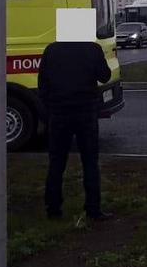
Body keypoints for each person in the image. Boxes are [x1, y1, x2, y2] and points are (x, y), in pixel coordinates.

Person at [38, 41, 112, 220]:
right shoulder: (92, 49)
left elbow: (43, 84)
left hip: (59, 113)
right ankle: (93, 209)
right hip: (85, 113)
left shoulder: (52, 50)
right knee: (90, 163)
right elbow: (104, 76)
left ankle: (53, 209)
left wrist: (51, 108)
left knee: (56, 163)